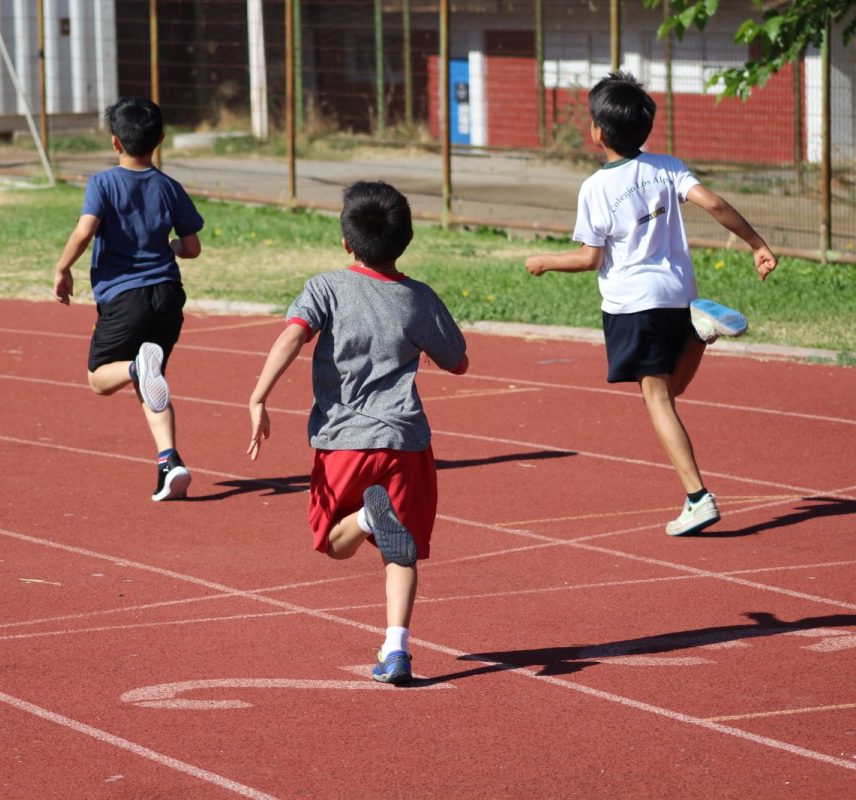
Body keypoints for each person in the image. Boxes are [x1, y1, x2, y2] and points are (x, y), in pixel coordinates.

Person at [524, 71, 777, 536]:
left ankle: (698, 497)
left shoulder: (595, 188)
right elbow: (715, 204)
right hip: (678, 295)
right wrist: (755, 242)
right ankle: (701, 332)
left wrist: (544, 260)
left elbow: (589, 258)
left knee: (658, 399)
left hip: (632, 303)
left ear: (598, 132)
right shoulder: (667, 166)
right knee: (666, 393)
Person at [247, 181, 469, 685]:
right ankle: (397, 650)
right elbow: (459, 362)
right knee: (403, 551)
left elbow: (292, 336)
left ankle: (368, 519)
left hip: (342, 439)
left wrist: (260, 396)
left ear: (347, 241)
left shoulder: (326, 287)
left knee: (331, 541)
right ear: (407, 239)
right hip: (405, 442)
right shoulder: (418, 298)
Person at [53, 97, 204, 501]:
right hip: (168, 297)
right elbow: (192, 247)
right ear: (161, 139)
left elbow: (85, 231)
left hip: (125, 298)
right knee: (152, 384)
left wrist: (62, 268)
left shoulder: (104, 183)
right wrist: (169, 245)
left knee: (101, 378)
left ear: (115, 142)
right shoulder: (170, 187)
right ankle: (169, 462)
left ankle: (138, 368)